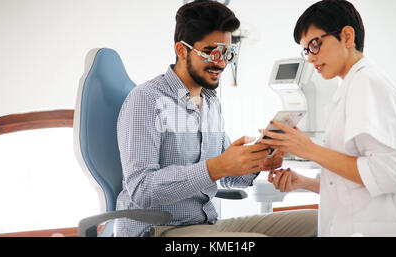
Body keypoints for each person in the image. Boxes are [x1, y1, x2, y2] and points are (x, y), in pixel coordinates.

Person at [114, 0, 318, 237]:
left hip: (206, 225)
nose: (221, 62)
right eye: (212, 52)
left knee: (316, 222)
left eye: (227, 53)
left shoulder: (211, 102)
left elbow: (230, 177)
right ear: (181, 50)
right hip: (157, 230)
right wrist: (216, 167)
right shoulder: (146, 99)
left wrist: (258, 163)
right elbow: (141, 190)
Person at [261, 0, 396, 237]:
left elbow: (385, 176)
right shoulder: (351, 87)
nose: (310, 58)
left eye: (314, 45)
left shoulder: (366, 83)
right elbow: (354, 180)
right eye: (305, 50)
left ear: (347, 36)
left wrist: (308, 149)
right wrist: (303, 182)